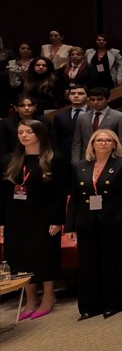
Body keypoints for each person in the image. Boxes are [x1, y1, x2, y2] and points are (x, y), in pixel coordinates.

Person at [64, 129, 122, 319]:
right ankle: (90, 306)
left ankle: (115, 302)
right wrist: (70, 226)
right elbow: (74, 198)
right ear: (92, 144)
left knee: (113, 263)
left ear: (114, 144)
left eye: (108, 140)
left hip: (115, 221)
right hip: (86, 222)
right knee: (88, 264)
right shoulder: (79, 166)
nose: (103, 143)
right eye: (99, 140)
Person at [0, 120, 68, 319]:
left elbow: (60, 192)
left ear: (39, 134)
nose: (23, 135)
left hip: (44, 215)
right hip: (15, 216)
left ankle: (48, 296)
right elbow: (2, 194)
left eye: (28, 131)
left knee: (44, 255)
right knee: (19, 257)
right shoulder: (8, 160)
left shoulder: (56, 159)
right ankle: (30, 299)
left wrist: (57, 220)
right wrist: (2, 222)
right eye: (20, 132)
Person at [72, 87, 122, 164]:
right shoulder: (82, 117)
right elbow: (77, 143)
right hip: (86, 159)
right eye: (92, 100)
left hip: (111, 159)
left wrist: (120, 163)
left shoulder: (119, 117)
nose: (96, 102)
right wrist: (75, 162)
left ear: (108, 99)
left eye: (99, 99)